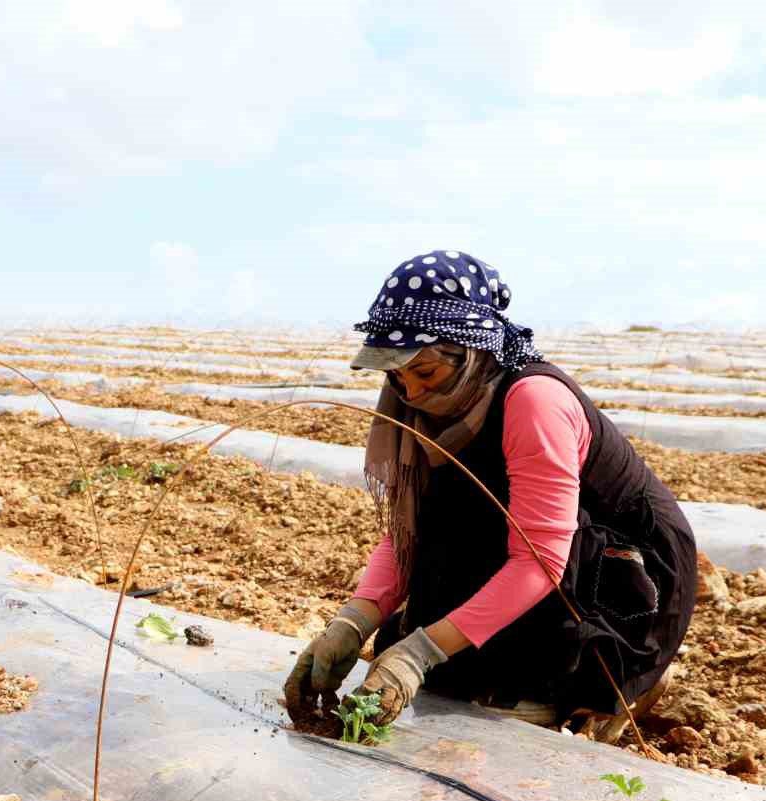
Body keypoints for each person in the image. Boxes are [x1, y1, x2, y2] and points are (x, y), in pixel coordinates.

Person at [284, 250, 698, 738]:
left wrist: (420, 653)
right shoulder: (417, 402)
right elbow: (410, 533)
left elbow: (539, 560)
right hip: (524, 547)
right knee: (447, 540)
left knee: (472, 666)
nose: (410, 392)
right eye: (396, 374)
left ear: (472, 351)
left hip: (613, 570)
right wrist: (353, 622)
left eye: (426, 372)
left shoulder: (533, 402)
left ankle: (607, 679)